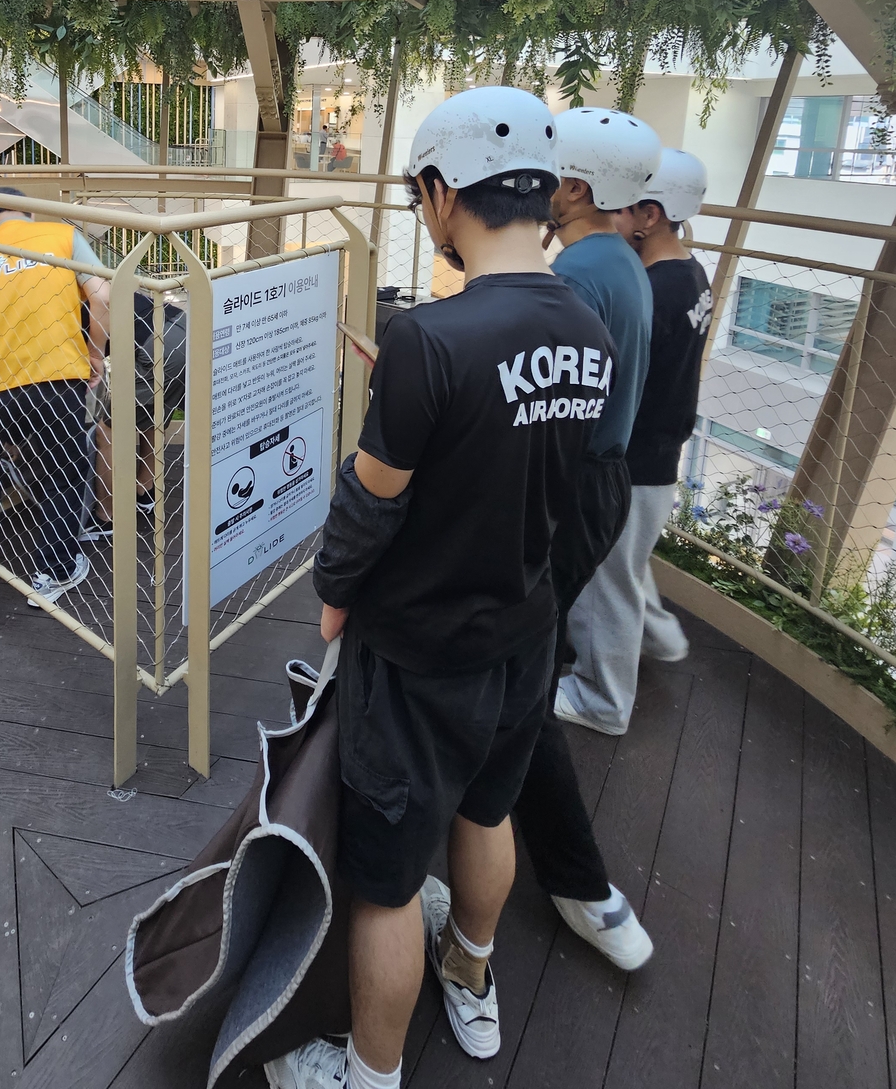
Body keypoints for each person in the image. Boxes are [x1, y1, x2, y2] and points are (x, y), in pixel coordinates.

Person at [266, 88, 618, 1089]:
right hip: (523, 637)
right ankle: (470, 983)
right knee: (484, 814)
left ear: (439, 190)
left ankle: (368, 1074)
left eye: (421, 197)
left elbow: (369, 506)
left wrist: (332, 597)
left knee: (381, 886)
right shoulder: (586, 326)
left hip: (419, 653)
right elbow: (553, 468)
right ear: (543, 195)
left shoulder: (431, 339)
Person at [510, 105, 659, 972]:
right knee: (530, 648)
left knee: (519, 683)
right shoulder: (625, 265)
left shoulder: (576, 278)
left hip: (566, 489)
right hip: (607, 479)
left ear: (572, 185)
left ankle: (584, 882)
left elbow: (531, 413)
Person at [559, 149, 711, 734]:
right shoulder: (689, 275)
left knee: (610, 582)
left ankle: (604, 701)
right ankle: (664, 640)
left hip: (635, 456)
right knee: (628, 562)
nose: (613, 217)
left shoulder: (653, 287)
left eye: (624, 208)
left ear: (650, 215)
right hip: (662, 453)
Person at [0, 186, 110, 601]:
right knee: (61, 470)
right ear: (28, 215)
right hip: (54, 377)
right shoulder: (60, 236)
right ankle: (55, 568)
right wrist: (95, 355)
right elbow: (103, 295)